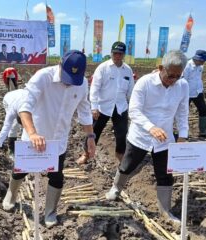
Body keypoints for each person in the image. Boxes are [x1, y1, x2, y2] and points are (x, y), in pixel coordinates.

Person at [2, 50, 96, 228]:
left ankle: (50, 212)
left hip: (58, 141)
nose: (69, 82)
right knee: (20, 170)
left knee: (57, 176)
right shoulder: (43, 77)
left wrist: (90, 136)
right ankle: (11, 195)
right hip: (34, 136)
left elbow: (84, 111)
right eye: (67, 76)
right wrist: (32, 133)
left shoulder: (82, 84)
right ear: (60, 65)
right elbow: (24, 106)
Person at [105, 50, 189, 224]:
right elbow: (134, 110)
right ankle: (116, 188)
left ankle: (165, 211)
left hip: (164, 140)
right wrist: (151, 128)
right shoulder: (144, 83)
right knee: (127, 165)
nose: (173, 80)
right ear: (160, 68)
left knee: (165, 175)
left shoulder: (183, 86)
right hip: (141, 136)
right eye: (170, 75)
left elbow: (182, 112)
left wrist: (183, 135)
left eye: (177, 76)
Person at [77, 41, 134, 165]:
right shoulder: (103, 68)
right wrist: (94, 107)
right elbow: (94, 88)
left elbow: (131, 91)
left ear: (124, 54)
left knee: (122, 133)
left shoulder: (127, 70)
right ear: (111, 53)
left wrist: (133, 108)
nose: (117, 56)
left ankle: (120, 155)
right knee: (94, 132)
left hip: (120, 107)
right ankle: (86, 154)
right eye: (115, 53)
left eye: (120, 53)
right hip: (102, 106)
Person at [0, 89, 27, 157]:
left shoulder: (35, 108)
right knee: (13, 126)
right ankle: (11, 149)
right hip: (9, 99)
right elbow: (6, 127)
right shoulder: (12, 110)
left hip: (22, 96)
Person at [182, 50, 206, 137]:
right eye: (202, 60)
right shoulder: (187, 66)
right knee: (184, 113)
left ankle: (203, 131)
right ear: (197, 59)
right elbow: (183, 81)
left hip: (198, 92)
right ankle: (184, 133)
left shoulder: (200, 66)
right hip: (187, 93)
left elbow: (198, 78)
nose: (203, 62)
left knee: (203, 110)